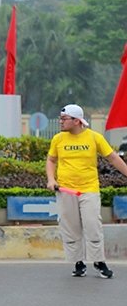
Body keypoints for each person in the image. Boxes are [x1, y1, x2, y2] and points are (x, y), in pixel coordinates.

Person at [46, 103, 127, 278]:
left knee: (92, 225)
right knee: (71, 227)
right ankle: (78, 262)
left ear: (76, 121)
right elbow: (51, 160)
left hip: (89, 189)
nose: (60, 122)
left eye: (64, 119)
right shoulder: (58, 139)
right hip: (66, 190)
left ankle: (99, 261)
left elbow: (112, 157)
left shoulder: (94, 137)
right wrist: (51, 179)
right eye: (60, 118)